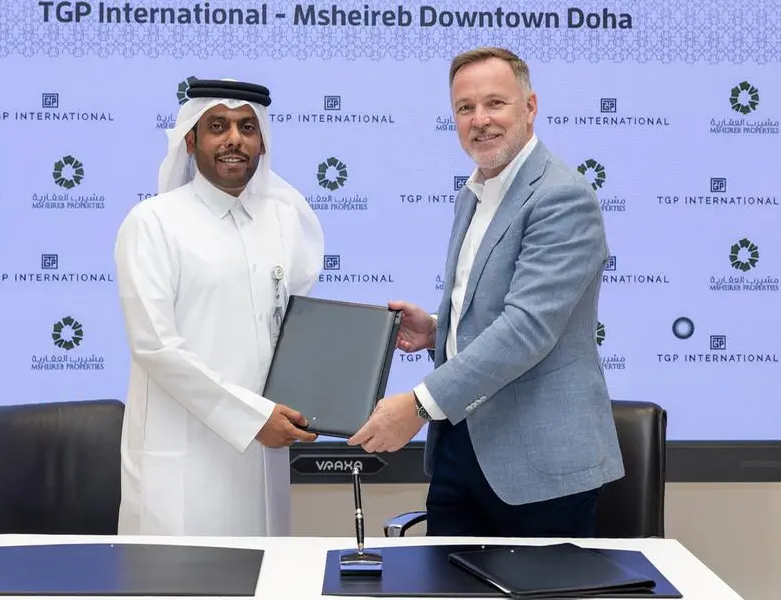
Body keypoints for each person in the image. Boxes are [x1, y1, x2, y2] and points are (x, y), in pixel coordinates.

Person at [348, 47, 624, 538]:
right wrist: (437, 331)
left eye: (495, 103)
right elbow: (491, 308)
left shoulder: (562, 196)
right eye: (465, 107)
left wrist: (417, 404)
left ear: (530, 107)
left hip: (540, 467)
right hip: (460, 449)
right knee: (444, 579)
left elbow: (527, 329)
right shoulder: (473, 193)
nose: (480, 120)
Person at [113, 78, 324, 537]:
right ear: (191, 141)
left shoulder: (285, 221)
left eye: (247, 127)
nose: (234, 139)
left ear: (262, 142)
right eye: (217, 126)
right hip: (184, 464)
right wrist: (251, 418)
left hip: (264, 456)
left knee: (269, 570)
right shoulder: (153, 223)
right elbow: (155, 347)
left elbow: (296, 331)